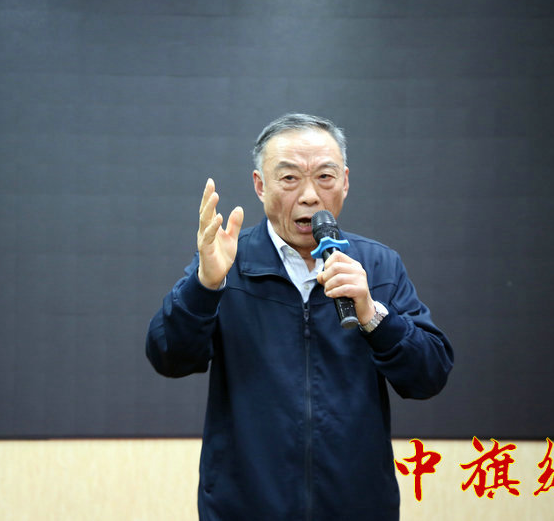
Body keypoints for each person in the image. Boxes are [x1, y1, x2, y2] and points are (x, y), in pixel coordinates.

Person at [146, 113, 453, 521]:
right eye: (289, 178)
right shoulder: (229, 261)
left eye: (325, 177)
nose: (310, 196)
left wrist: (372, 315)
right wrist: (205, 285)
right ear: (260, 185)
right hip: (246, 508)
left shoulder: (378, 266)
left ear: (345, 181)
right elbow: (168, 356)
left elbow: (429, 375)